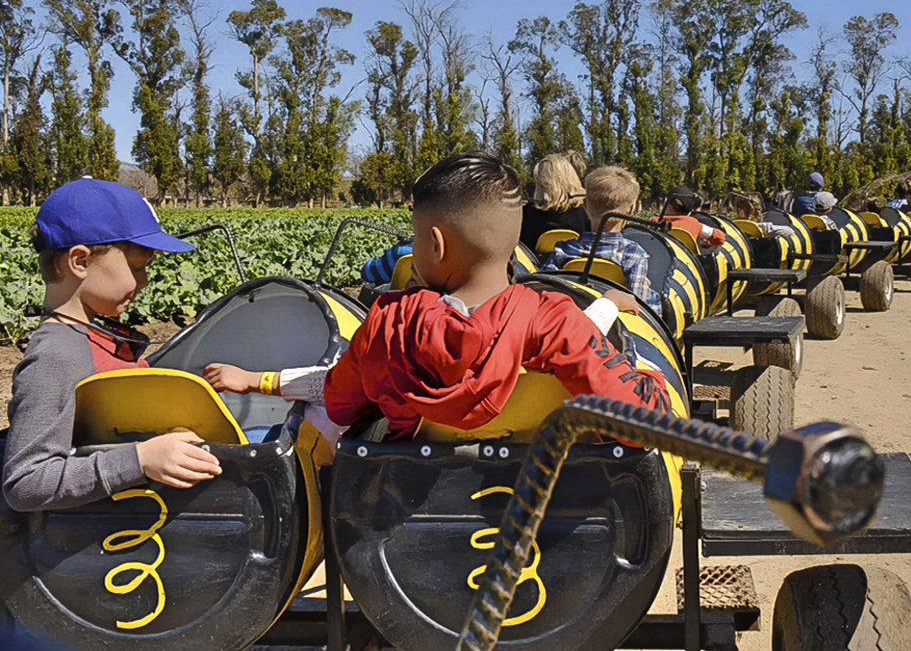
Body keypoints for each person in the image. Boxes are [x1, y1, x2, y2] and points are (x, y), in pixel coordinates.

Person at [204, 154, 670, 441]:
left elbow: (340, 403)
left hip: (408, 527)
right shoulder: (554, 321)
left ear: (435, 245)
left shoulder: (387, 325)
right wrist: (651, 376)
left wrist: (261, 380)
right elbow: (638, 418)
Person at [2, 179, 222, 512]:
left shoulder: (92, 333)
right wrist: (140, 460)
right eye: (137, 267)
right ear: (81, 262)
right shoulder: (57, 356)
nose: (144, 281)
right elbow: (26, 482)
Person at [540, 166, 663, 315]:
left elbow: (544, 289)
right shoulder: (633, 255)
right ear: (632, 209)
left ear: (585, 205)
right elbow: (639, 305)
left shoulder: (563, 250)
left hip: (570, 316)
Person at [519, 154, 589, 251]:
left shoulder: (525, 214)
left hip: (536, 265)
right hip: (578, 265)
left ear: (540, 183)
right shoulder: (586, 213)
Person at [651, 185, 727, 247]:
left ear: (669, 206)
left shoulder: (654, 222)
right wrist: (708, 243)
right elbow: (721, 237)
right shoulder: (695, 225)